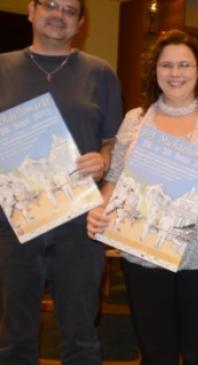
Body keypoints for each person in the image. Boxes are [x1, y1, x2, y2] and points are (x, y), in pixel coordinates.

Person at [86, 30, 198, 365]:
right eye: (166, 65)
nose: (175, 73)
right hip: (144, 253)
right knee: (156, 352)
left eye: (184, 65)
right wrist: (100, 208)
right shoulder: (135, 120)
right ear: (154, 71)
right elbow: (114, 179)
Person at [0, 0, 123, 364]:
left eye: (70, 10)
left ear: (80, 22)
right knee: (12, 336)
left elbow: (113, 142)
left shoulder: (100, 73)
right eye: (50, 4)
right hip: (13, 220)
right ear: (31, 10)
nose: (59, 14)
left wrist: (102, 161)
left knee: (80, 336)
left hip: (79, 222)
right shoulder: (2, 67)